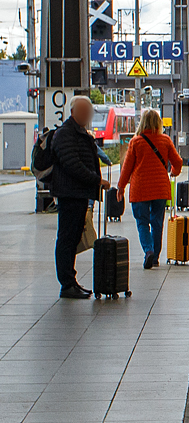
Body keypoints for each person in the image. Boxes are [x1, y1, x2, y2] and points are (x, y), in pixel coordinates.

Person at [49, 96, 110, 299]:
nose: (86, 115)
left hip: (79, 193)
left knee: (74, 237)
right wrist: (96, 180)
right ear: (73, 112)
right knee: (67, 238)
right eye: (83, 111)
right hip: (69, 194)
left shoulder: (79, 132)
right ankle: (66, 284)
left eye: (88, 111)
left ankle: (71, 281)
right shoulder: (65, 134)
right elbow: (72, 164)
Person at [118, 109, 181, 270]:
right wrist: (174, 172)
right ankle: (155, 257)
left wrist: (121, 187)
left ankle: (148, 250)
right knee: (157, 222)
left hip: (140, 188)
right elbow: (178, 161)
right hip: (160, 188)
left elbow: (127, 168)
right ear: (159, 123)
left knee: (142, 223)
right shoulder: (165, 140)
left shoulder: (136, 142)